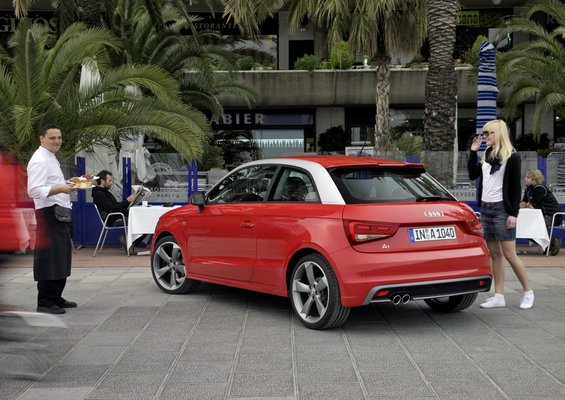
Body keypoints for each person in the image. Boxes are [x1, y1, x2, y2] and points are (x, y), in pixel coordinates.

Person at [468, 119, 534, 310]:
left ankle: (528, 292)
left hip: (502, 210)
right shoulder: (487, 154)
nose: (485, 136)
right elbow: (472, 174)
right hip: (486, 209)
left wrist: (513, 214)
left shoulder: (512, 156)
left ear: (498, 133)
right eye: (484, 133)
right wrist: (473, 151)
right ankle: (499, 296)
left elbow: (515, 187)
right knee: (495, 254)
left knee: (510, 255)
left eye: (488, 133)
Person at [27, 124, 78, 314]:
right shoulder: (39, 160)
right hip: (48, 213)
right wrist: (62, 188)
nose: (57, 141)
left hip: (59, 212)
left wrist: (68, 184)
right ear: (41, 139)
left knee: (61, 256)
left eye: (59, 137)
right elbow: (34, 190)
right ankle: (45, 301)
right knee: (49, 257)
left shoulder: (50, 157)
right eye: (52, 138)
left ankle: (56, 296)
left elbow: (52, 184)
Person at [91, 170, 148, 249]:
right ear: (102, 181)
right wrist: (127, 201)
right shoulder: (99, 194)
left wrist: (129, 203)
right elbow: (112, 209)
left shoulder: (106, 193)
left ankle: (129, 241)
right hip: (113, 218)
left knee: (144, 219)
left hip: (117, 215)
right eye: (109, 181)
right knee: (143, 222)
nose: (111, 183)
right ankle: (130, 241)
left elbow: (115, 206)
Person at [520, 169, 562, 255]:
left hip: (552, 215)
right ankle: (550, 243)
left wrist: (527, 204)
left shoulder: (540, 188)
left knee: (532, 227)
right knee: (524, 228)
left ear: (534, 179)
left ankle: (552, 242)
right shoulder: (528, 189)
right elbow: (524, 203)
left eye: (528, 177)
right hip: (539, 216)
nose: (525, 179)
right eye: (525, 177)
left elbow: (534, 206)